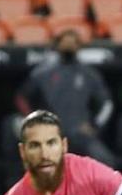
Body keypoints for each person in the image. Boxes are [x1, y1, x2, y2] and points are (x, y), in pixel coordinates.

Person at [14, 29, 116, 167]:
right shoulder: (43, 73)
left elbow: (106, 104)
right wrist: (33, 121)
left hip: (81, 134)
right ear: (57, 45)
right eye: (65, 41)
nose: (69, 44)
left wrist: (94, 125)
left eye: (73, 41)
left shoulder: (89, 74)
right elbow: (22, 98)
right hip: (51, 134)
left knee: (107, 162)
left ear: (79, 45)